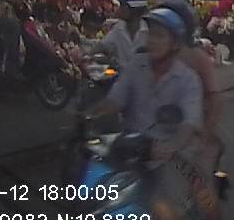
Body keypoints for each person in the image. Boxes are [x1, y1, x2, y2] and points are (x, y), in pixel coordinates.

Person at [155, 0, 226, 220]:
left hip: (193, 132)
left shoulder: (196, 57)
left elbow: (215, 98)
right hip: (155, 130)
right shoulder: (148, 53)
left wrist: (206, 132)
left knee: (200, 182)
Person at [87, 7, 203, 142]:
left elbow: (189, 124)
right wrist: (91, 115)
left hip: (167, 149)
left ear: (175, 44)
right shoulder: (136, 65)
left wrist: (173, 145)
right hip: (129, 144)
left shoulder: (188, 80)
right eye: (151, 34)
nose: (152, 41)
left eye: (159, 36)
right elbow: (116, 99)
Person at [86, 0, 148, 70]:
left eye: (123, 6)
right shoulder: (119, 28)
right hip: (121, 75)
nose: (120, 9)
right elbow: (102, 45)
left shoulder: (148, 30)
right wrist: (87, 55)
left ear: (134, 9)